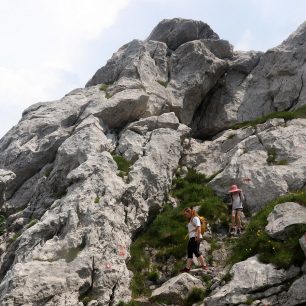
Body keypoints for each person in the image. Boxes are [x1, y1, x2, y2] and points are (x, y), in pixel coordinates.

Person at [180, 207, 208, 273]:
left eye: (186, 214)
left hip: (195, 237)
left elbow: (199, 227)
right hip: (191, 238)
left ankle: (204, 265)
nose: (185, 216)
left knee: (196, 251)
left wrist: (198, 237)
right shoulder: (191, 219)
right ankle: (187, 268)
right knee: (190, 252)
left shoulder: (195, 218)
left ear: (189, 212)